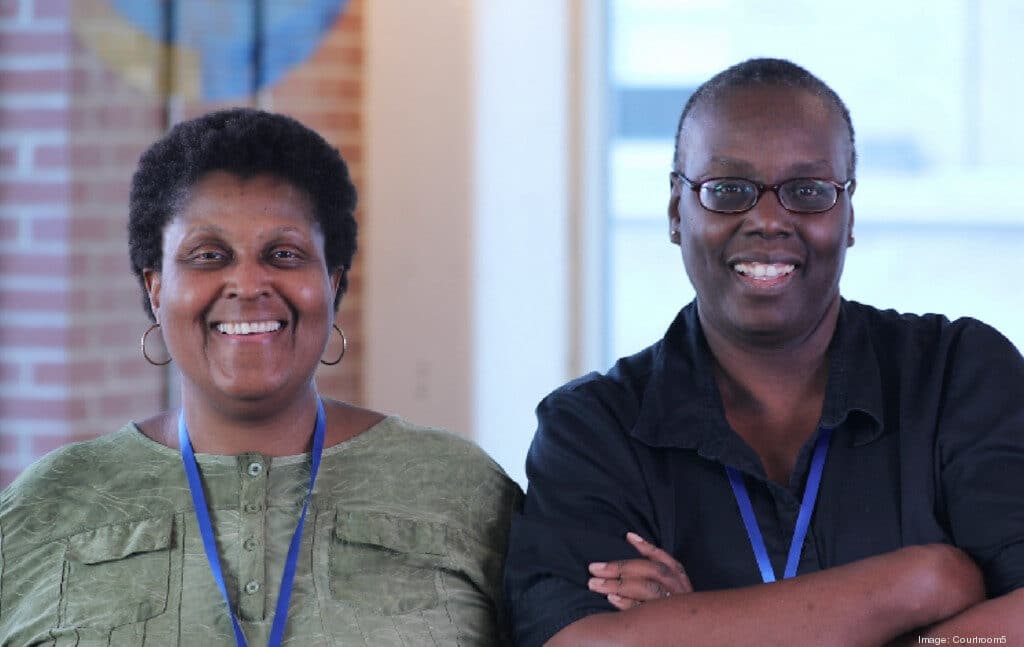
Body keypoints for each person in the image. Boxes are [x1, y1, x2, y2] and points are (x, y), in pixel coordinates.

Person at [504, 58, 1024, 646]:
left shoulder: (960, 373)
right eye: (728, 191)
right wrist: (922, 582)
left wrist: (701, 628)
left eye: (808, 191)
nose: (770, 220)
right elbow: (574, 642)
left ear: (847, 214)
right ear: (678, 210)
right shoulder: (594, 427)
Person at [0, 108, 522, 646]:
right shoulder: (48, 504)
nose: (248, 284)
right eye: (208, 256)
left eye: (284, 254)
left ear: (331, 282)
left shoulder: (462, 490)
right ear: (156, 289)